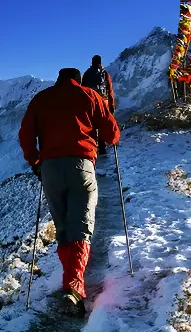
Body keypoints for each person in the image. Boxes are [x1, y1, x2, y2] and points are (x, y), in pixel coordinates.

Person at [19, 68, 121, 317]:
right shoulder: (89, 96)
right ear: (78, 79)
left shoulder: (41, 99)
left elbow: (25, 136)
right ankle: (73, 288)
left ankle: (70, 282)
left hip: (50, 170)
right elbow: (111, 133)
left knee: (63, 226)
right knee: (81, 225)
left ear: (58, 79)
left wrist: (36, 163)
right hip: (81, 166)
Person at [82, 55, 115, 155]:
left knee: (91, 126)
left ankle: (92, 147)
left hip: (90, 103)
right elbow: (110, 90)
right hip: (103, 102)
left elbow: (82, 89)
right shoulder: (105, 73)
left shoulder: (87, 73)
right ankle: (102, 148)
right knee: (101, 125)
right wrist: (111, 105)